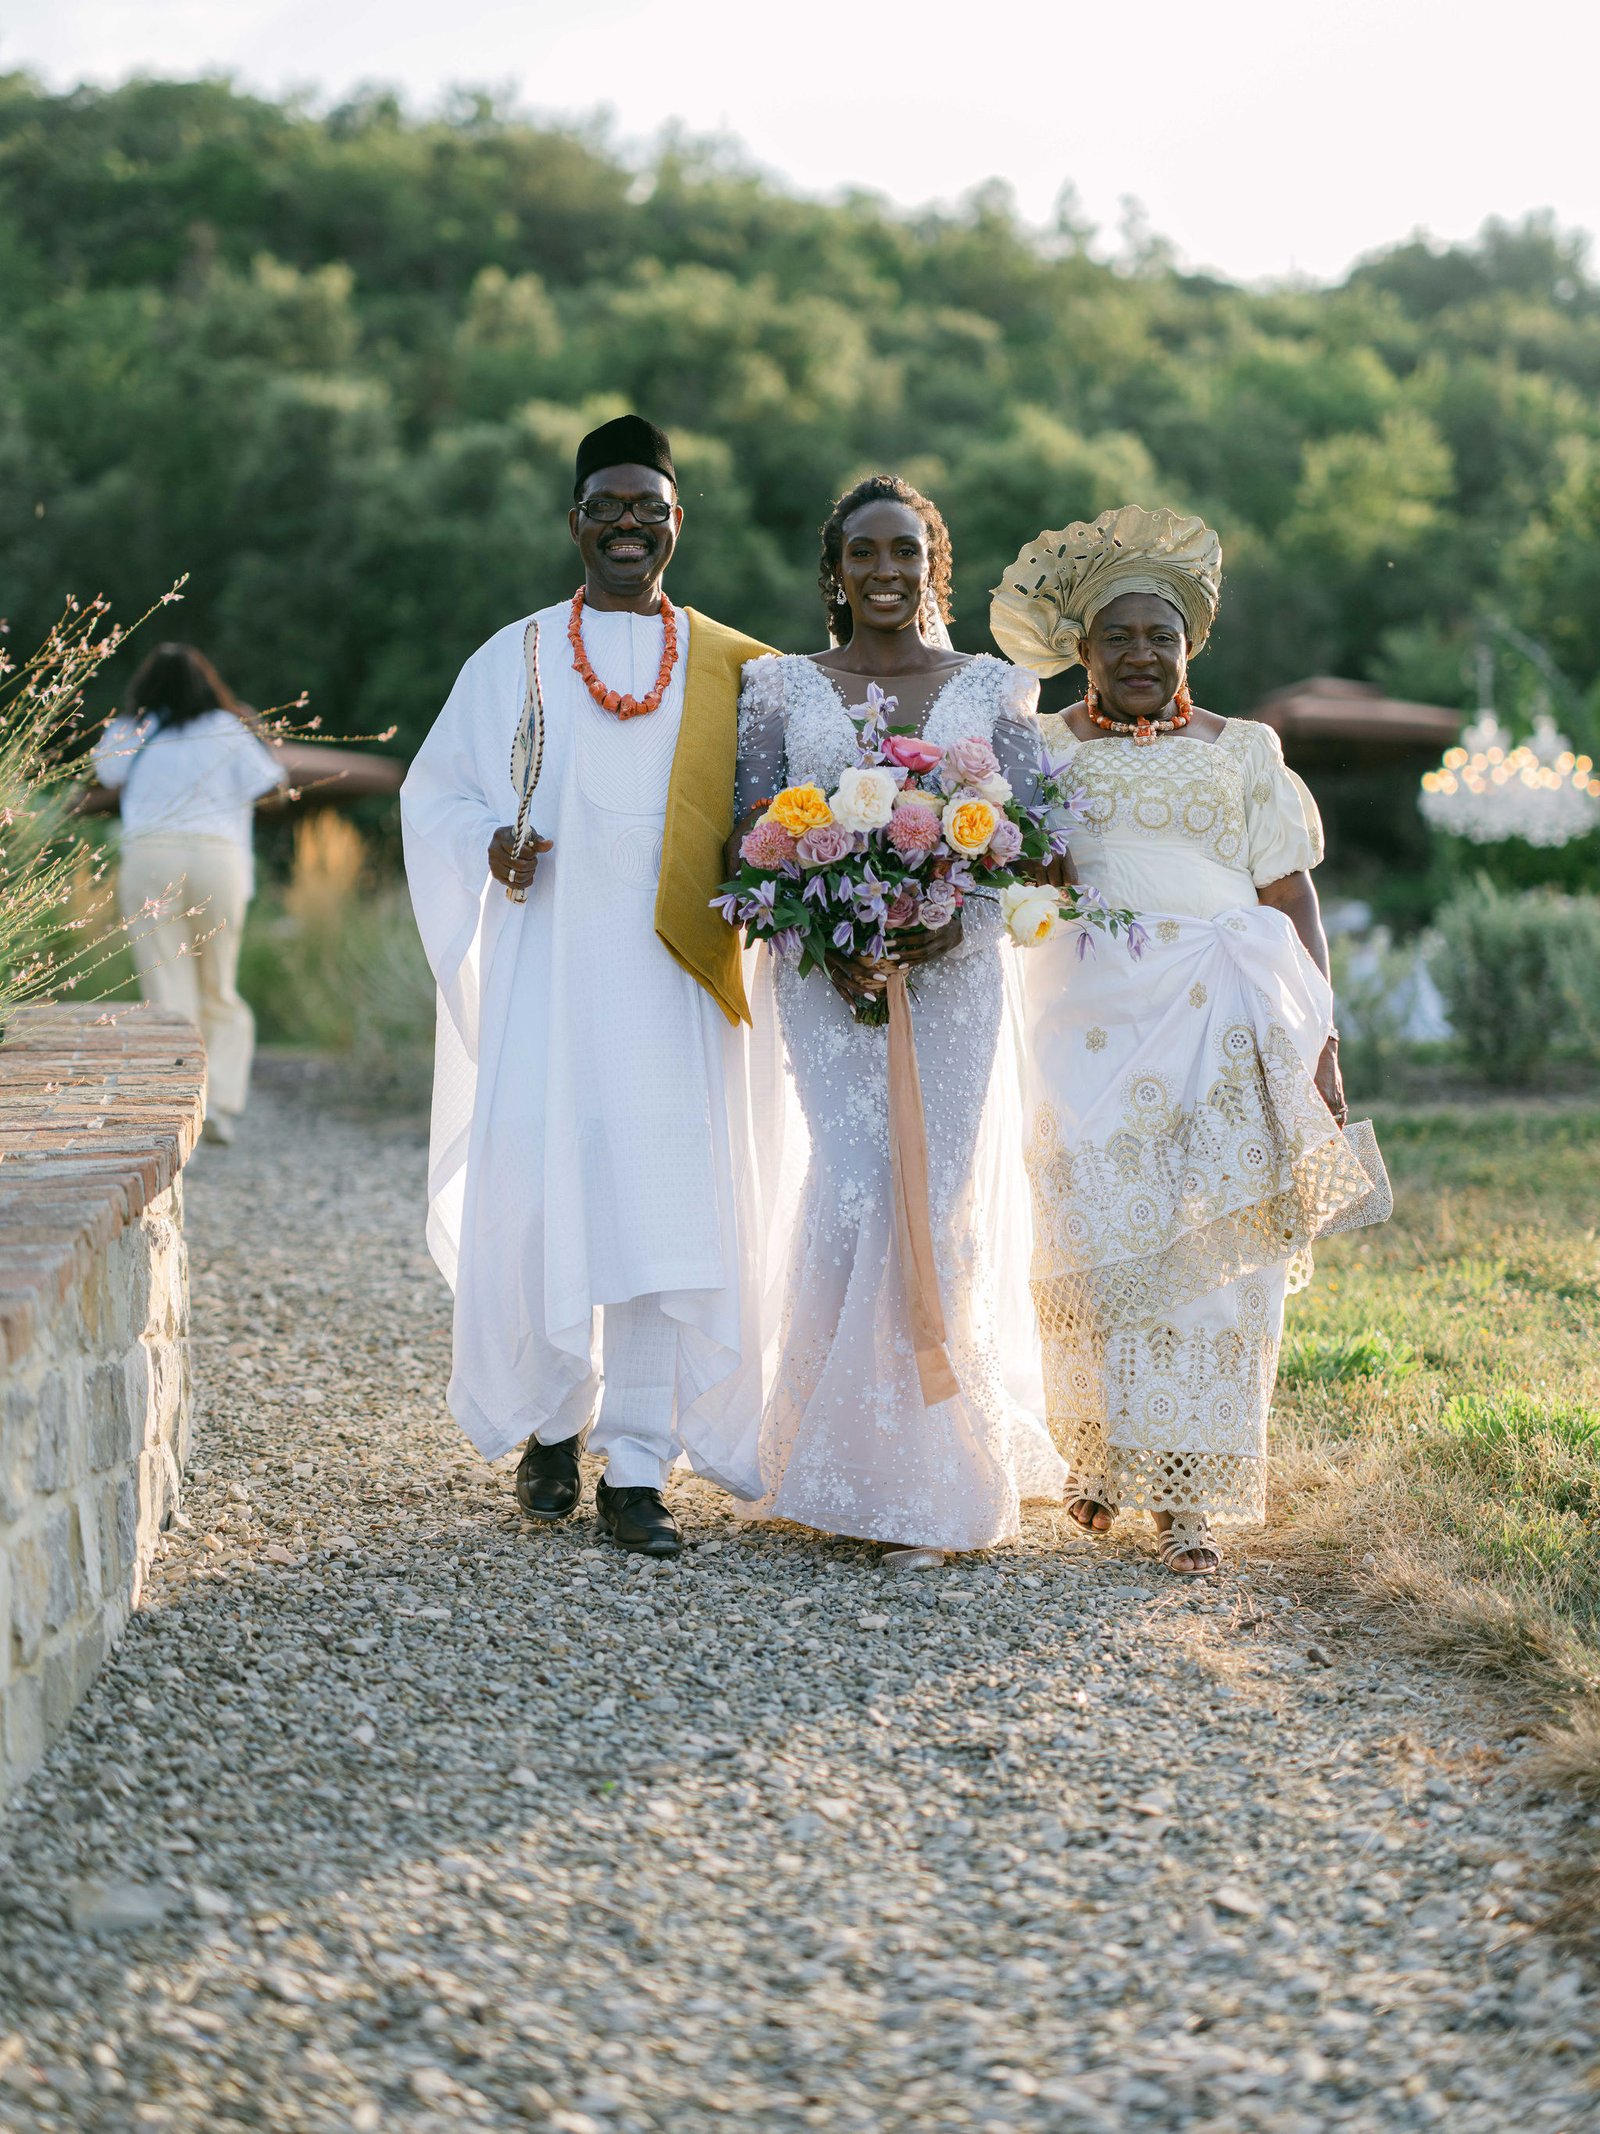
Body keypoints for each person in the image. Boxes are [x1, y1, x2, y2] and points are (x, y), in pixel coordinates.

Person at [400, 415, 773, 1559]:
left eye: (647, 508)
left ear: (676, 524)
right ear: (574, 522)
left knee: (665, 1212)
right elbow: (437, 796)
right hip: (551, 978)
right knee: (551, 1195)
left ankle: (641, 1466)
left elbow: (775, 815)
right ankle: (556, 1428)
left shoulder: (734, 666)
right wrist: (491, 850)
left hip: (673, 986)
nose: (626, 524)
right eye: (605, 506)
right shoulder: (512, 654)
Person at [990, 504, 1369, 1576]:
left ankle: (1190, 1501)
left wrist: (1322, 1046)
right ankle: (1101, 1460)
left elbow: (1290, 894)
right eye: (1118, 636)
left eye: (1160, 635)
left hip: (1226, 1022)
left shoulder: (1247, 750)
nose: (1141, 654)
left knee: (1212, 1259)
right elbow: (1011, 877)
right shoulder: (1039, 750)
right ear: (1081, 651)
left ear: (1189, 644)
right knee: (1091, 1235)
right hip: (1084, 1026)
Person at [727, 474, 1067, 1568]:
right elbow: (750, 834)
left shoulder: (993, 691)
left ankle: (930, 1477)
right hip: (826, 982)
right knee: (853, 1181)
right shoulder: (779, 688)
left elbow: (1041, 849)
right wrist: (824, 937)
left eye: (905, 553)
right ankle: (830, 1461)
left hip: (953, 975)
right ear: (833, 570)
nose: (884, 572)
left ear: (934, 567)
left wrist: (950, 919)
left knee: (936, 1187)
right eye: (863, 553)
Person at [94, 643, 286, 1146]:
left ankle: (179, 1111)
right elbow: (274, 787)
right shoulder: (229, 728)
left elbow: (106, 773)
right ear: (207, 683)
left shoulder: (133, 728)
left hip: (151, 856)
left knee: (168, 988)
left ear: (146, 684)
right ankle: (219, 1103)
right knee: (217, 985)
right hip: (217, 857)